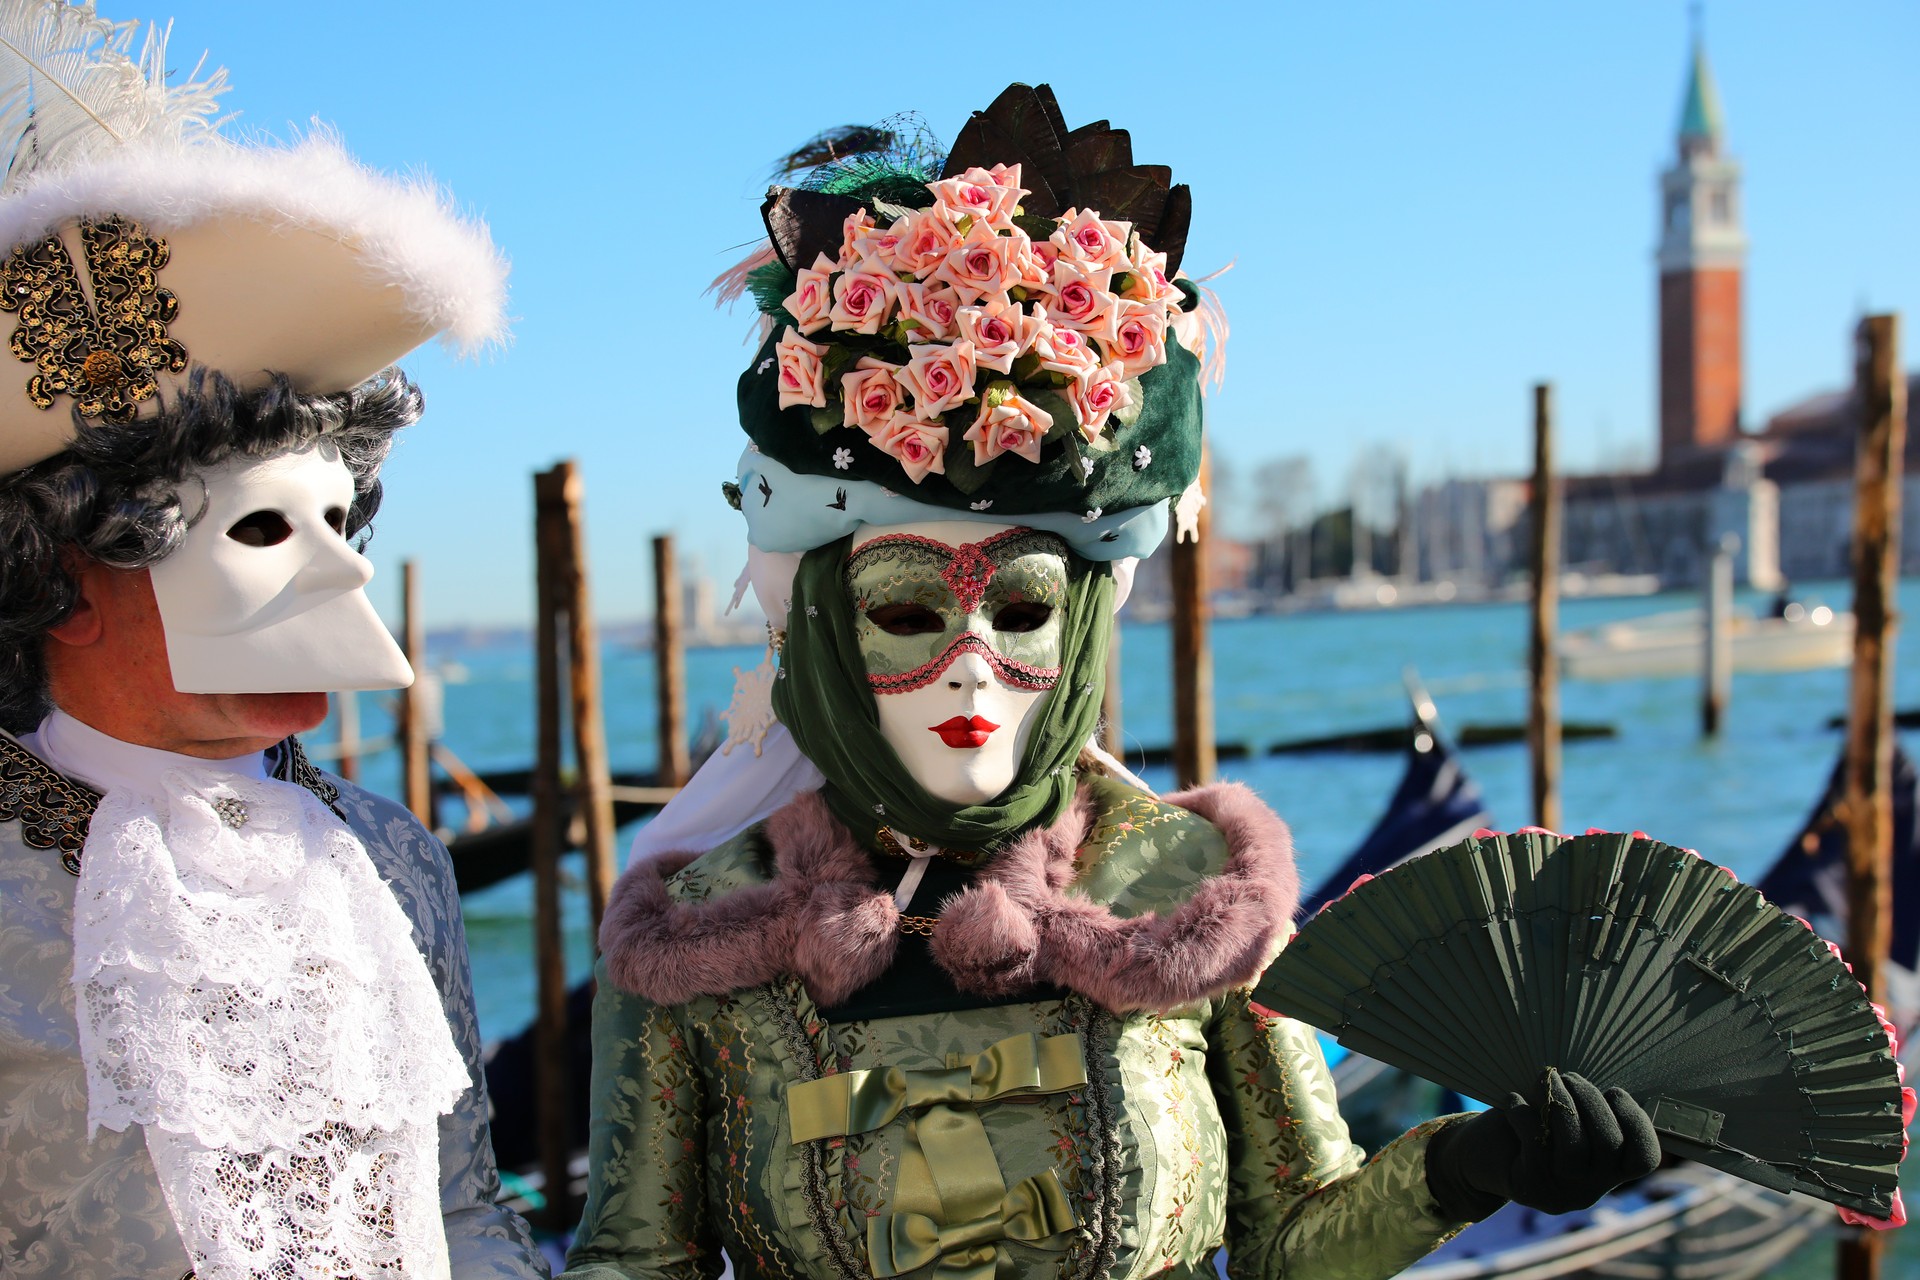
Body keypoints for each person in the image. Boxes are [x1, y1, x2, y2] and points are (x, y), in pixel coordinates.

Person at [561, 85, 1657, 1280]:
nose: (972, 664)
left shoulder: (1193, 893)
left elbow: (1294, 1240)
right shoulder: (704, 937)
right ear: (826, 628)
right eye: (908, 612)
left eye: (1024, 607)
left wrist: (1469, 1168)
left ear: (1081, 626)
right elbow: (634, 1264)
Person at [0, 5, 544, 1277]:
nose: (344, 567)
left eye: (341, 517)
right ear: (66, 574)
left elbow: (466, 1208)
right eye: (259, 529)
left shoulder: (390, 856)